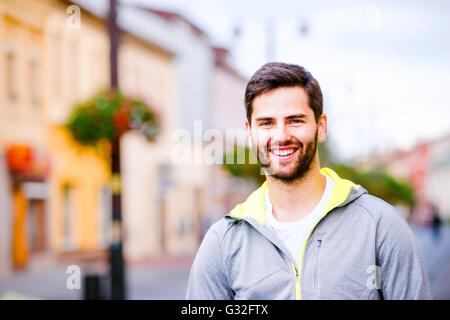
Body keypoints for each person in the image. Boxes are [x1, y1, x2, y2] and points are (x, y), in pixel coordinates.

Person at [186, 62, 432, 300]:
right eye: (267, 123)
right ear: (250, 133)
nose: (281, 136)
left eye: (295, 120)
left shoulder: (380, 226)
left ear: (321, 127)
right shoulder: (223, 241)